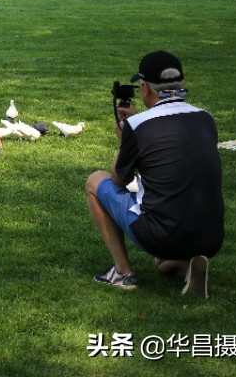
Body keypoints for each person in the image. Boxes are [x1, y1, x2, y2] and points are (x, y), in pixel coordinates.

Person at [85, 51, 225, 297]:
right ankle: (185, 265)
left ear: (145, 88)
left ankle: (122, 273)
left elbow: (119, 180)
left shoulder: (138, 126)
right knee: (163, 264)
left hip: (161, 235)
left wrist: (124, 138)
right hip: (210, 236)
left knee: (96, 181)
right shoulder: (206, 118)